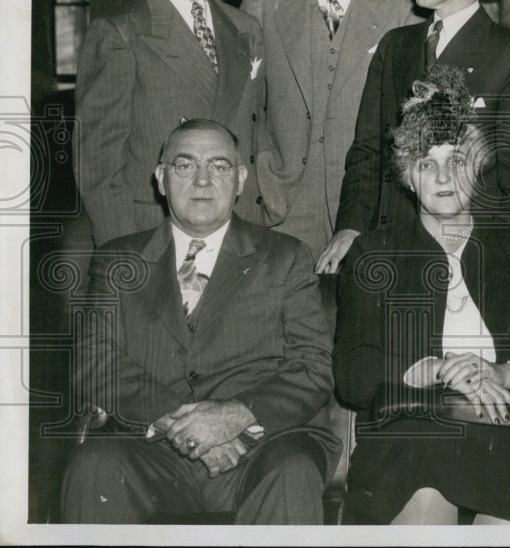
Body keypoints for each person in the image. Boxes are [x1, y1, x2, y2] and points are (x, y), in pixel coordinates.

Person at [334, 66, 510, 524]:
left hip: (509, 431)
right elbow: (352, 372)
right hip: (411, 436)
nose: (444, 176)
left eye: (458, 160)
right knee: (425, 495)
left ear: (480, 166)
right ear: (407, 175)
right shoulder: (373, 253)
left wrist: (503, 372)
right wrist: (433, 369)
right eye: (427, 163)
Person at [61, 119, 339, 524]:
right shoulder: (118, 260)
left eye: (220, 166)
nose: (203, 181)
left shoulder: (286, 256)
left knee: (292, 472)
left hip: (262, 448)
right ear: (160, 178)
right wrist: (189, 427)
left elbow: (313, 368)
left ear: (241, 179)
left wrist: (235, 416)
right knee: (94, 465)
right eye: (185, 165)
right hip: (152, 448)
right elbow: (95, 362)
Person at [318, 0, 510, 272]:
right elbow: (369, 150)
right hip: (389, 249)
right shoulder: (394, 46)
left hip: (472, 256)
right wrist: (351, 226)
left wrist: (477, 253)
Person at [240, 0, 419, 261]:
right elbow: (243, 114)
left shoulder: (401, 13)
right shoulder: (262, 6)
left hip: (366, 216)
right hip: (278, 210)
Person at [74, 0, 264, 248]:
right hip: (154, 231)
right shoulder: (121, 31)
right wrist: (124, 253)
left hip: (237, 228)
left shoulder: (245, 27)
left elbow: (258, 135)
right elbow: (98, 165)